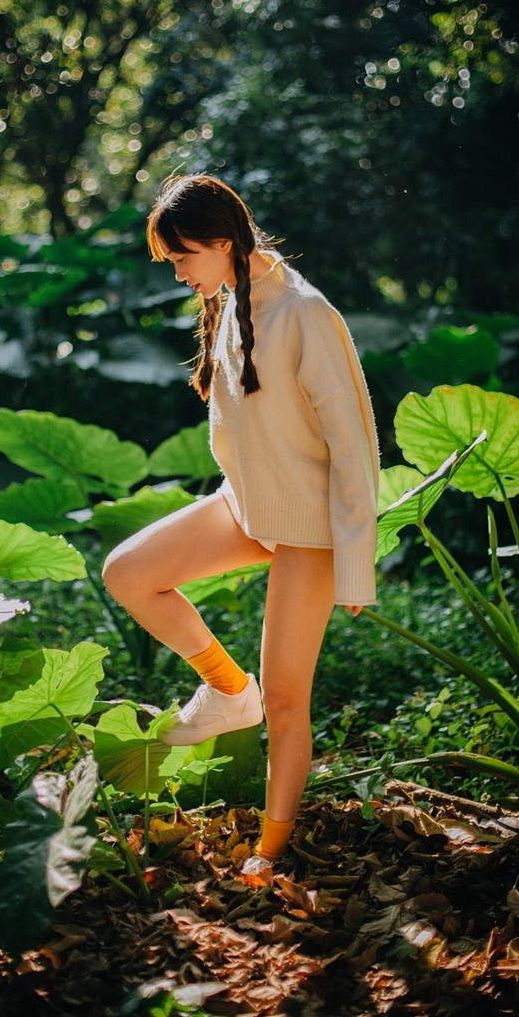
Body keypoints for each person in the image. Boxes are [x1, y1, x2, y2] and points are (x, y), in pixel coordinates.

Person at [102, 174, 379, 874]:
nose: (179, 273)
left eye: (183, 258)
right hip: (248, 506)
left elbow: (354, 449)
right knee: (129, 574)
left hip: (308, 527)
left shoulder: (306, 315)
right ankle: (230, 693)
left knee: (288, 700)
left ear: (223, 241)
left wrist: (355, 561)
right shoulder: (231, 301)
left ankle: (271, 848)